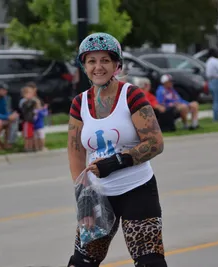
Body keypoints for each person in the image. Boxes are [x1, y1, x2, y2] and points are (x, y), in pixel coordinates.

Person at [67, 32, 167, 267]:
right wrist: (84, 201)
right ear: (84, 66)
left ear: (116, 65)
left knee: (149, 262)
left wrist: (116, 162)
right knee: (82, 262)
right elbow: (76, 152)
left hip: (137, 189)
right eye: (92, 61)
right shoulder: (79, 103)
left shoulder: (131, 95)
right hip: (99, 195)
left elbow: (155, 142)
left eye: (105, 60)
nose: (98, 67)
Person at [20, 86, 37, 152]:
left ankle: (31, 146)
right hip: (27, 121)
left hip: (31, 121)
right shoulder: (24, 103)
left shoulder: (32, 102)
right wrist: (32, 101)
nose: (31, 95)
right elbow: (27, 107)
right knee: (27, 136)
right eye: (29, 93)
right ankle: (26, 147)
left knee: (31, 135)